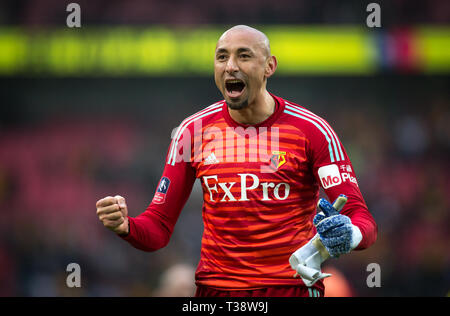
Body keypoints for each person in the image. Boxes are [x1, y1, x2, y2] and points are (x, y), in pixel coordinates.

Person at [95, 25, 377, 297]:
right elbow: (158, 228)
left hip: (289, 289)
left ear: (269, 66)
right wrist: (126, 226)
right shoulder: (192, 132)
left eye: (244, 55)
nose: (230, 65)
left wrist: (349, 233)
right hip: (216, 291)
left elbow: (362, 219)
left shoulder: (312, 131)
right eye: (222, 57)